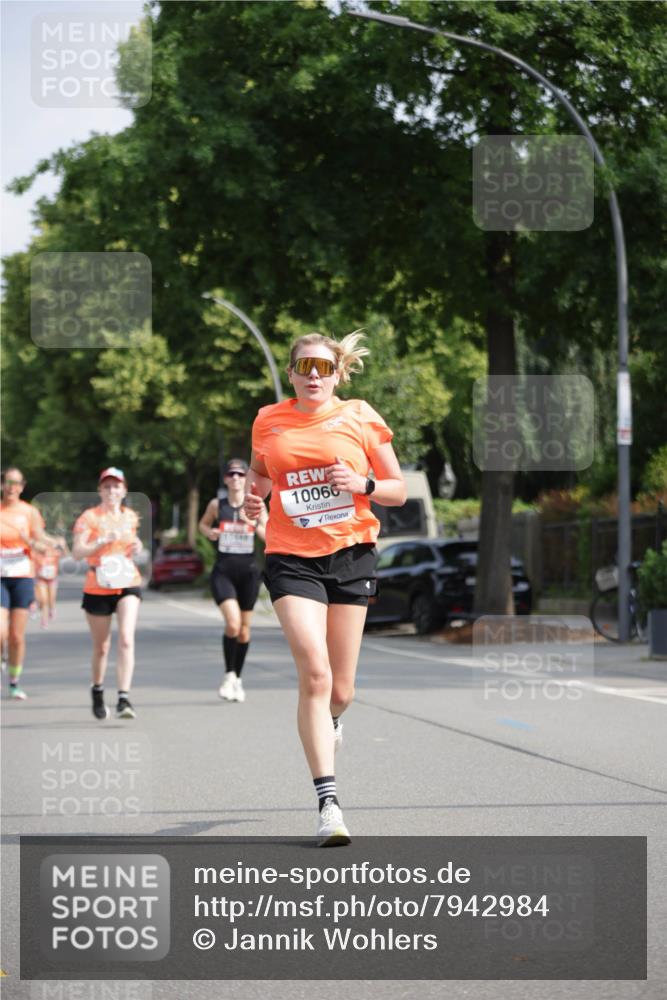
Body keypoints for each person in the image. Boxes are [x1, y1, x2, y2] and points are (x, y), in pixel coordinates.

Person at [244, 332, 406, 846]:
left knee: (341, 689)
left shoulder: (360, 415)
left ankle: (333, 717)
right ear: (291, 372)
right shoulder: (269, 419)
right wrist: (253, 503)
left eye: (323, 367)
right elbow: (259, 478)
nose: (314, 375)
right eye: (304, 366)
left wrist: (362, 486)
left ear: (338, 373)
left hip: (350, 553)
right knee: (314, 672)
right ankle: (328, 803)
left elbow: (397, 489)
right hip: (290, 558)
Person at [72, 467, 144, 720]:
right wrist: (100, 542)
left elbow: (134, 544)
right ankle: (98, 690)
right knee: (102, 647)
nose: (112, 490)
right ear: (100, 490)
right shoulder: (89, 518)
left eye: (117, 486)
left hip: (127, 581)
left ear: (124, 490)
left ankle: (124, 697)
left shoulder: (131, 517)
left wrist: (138, 545)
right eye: (107, 486)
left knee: (126, 639)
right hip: (98, 584)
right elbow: (77, 552)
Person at [199, 459, 267, 703]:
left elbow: (268, 535)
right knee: (233, 624)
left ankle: (237, 678)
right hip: (224, 571)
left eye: (241, 474)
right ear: (226, 479)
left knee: (245, 630)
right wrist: (210, 533)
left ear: (246, 478)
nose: (236, 478)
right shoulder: (218, 505)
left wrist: (254, 524)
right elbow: (203, 525)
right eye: (232, 474)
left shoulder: (256, 505)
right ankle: (229, 675)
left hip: (248, 572)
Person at [1, 467, 58, 699]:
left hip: (22, 577)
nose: (11, 487)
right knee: (0, 630)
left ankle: (14, 681)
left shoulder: (29, 512)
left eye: (16, 483)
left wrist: (44, 544)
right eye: (7, 482)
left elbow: (42, 541)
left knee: (16, 636)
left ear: (22, 486)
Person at [34, 536, 69, 628]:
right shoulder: (36, 553)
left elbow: (66, 555)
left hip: (52, 579)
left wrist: (63, 545)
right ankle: (44, 620)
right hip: (41, 579)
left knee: (51, 599)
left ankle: (52, 609)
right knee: (43, 600)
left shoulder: (54, 552)